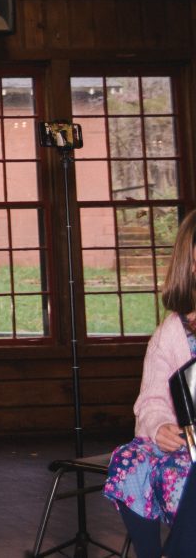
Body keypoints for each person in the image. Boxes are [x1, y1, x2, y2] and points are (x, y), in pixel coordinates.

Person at [104, 210, 196, 557]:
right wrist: (160, 428)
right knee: (130, 460)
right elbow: (151, 399)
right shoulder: (172, 332)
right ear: (190, 266)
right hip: (186, 441)